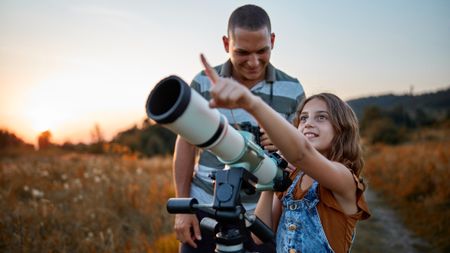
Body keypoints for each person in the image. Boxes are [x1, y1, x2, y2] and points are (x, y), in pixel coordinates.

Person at [201, 54, 371, 253]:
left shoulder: (344, 178)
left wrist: (251, 103)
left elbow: (302, 154)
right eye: (304, 118)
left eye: (321, 117)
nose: (308, 124)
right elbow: (259, 235)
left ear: (342, 129)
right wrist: (272, 175)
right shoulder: (292, 178)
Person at [173, 4, 305, 253]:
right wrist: (182, 208)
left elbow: (303, 155)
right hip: (205, 207)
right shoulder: (203, 82)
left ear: (273, 40)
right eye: (242, 52)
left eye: (262, 51)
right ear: (226, 44)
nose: (254, 62)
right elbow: (186, 143)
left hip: (264, 214)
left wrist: (284, 145)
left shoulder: (293, 89)